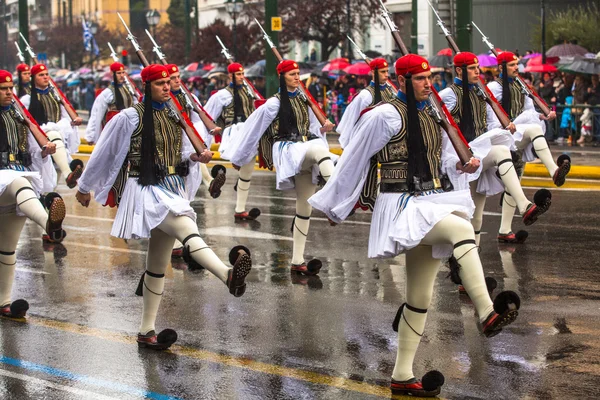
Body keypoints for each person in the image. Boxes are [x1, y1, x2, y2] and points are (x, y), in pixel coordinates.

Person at [309, 54, 520, 397]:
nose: (428, 83)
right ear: (405, 80)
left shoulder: (432, 111)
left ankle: (402, 375)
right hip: (399, 203)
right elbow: (354, 159)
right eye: (421, 79)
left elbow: (442, 156)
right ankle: (485, 311)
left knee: (419, 297)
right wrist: (334, 206)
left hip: (429, 200)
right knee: (460, 230)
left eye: (430, 78)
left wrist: (464, 166)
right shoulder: (384, 115)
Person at [75, 64, 252, 350]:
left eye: (168, 82)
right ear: (147, 87)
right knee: (185, 226)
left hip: (171, 187)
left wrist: (197, 156)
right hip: (145, 189)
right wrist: (84, 187)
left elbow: (182, 151)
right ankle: (226, 275)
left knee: (157, 263)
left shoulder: (173, 115)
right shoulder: (129, 117)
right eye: (160, 84)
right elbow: (104, 153)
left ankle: (146, 331)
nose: (167, 87)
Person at [229, 60, 336, 275]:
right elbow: (253, 130)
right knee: (322, 154)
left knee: (304, 209)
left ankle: (297, 262)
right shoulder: (274, 103)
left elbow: (313, 128)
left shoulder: (304, 98)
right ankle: (335, 200)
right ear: (282, 77)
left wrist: (324, 128)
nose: (297, 77)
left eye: (298, 74)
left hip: (306, 146)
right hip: (288, 149)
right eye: (292, 74)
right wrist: (240, 157)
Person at [439, 52, 551, 248]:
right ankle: (462, 266)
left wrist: (503, 128)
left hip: (480, 152)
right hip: (460, 160)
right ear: (459, 70)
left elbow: (490, 123)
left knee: (501, 151)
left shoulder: (482, 93)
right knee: (473, 218)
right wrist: (451, 157)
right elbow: (441, 129)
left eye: (477, 67)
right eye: (472, 68)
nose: (478, 71)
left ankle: (524, 205)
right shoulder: (449, 94)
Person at [0, 69, 66, 319]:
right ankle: (48, 223)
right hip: (5, 177)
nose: (9, 93)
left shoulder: (19, 115)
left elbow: (30, 149)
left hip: (18, 175)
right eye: (3, 89)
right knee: (19, 182)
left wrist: (44, 151)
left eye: (10, 89)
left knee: (7, 249)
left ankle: (4, 303)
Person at [488, 51, 569, 243]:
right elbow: (491, 117)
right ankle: (553, 171)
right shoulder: (493, 88)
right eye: (511, 65)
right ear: (501, 68)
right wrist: (505, 125)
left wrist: (542, 116)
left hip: (517, 135)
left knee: (513, 183)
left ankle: (505, 230)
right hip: (500, 137)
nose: (516, 67)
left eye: (517, 64)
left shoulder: (520, 86)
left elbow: (528, 112)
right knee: (532, 130)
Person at [204, 63, 259, 221]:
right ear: (230, 76)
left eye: (243, 73)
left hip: (249, 132)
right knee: (242, 164)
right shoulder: (221, 95)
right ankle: (234, 163)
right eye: (238, 74)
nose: (242, 76)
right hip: (233, 132)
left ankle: (240, 209)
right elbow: (208, 115)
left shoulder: (249, 90)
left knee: (247, 172)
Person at [21, 64, 84, 193]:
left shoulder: (55, 96)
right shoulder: (27, 99)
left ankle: (51, 204)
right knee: (41, 185)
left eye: (46, 74)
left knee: (53, 185)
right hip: (38, 144)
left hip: (58, 143)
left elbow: (64, 117)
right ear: (33, 78)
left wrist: (73, 121)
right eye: (41, 75)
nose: (45, 77)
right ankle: (68, 175)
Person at [337, 58, 396, 148]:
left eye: (387, 71)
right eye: (383, 72)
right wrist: (347, 145)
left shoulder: (390, 91)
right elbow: (353, 120)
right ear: (373, 72)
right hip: (370, 142)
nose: (386, 75)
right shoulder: (365, 96)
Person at [85, 62, 138, 145]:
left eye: (123, 72)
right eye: (118, 73)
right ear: (112, 74)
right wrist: (91, 135)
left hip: (130, 130)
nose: (121, 75)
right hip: (114, 132)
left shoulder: (129, 90)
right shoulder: (107, 93)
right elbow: (96, 114)